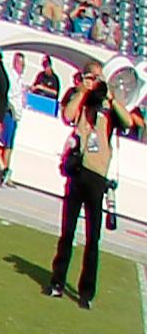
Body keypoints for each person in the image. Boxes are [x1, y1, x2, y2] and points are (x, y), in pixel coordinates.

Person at [59, 71, 119, 304]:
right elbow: (67, 114)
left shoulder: (108, 109)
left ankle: (86, 292)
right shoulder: (82, 102)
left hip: (97, 177)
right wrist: (83, 91)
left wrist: (111, 99)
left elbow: (127, 120)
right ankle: (57, 280)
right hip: (78, 172)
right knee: (68, 232)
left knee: (92, 239)